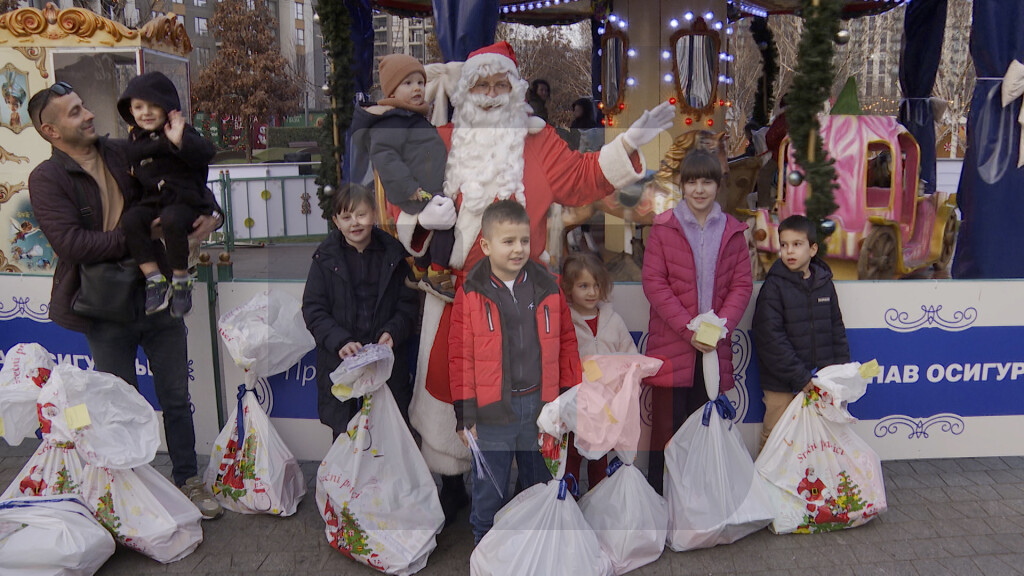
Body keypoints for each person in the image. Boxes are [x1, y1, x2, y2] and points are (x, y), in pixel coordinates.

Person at [389, 41, 672, 521]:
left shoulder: (538, 141)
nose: (493, 93)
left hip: (529, 295)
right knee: (452, 392)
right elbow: (402, 194)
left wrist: (627, 144)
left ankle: (530, 498)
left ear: (516, 90)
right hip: (459, 294)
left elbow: (582, 179)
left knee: (527, 400)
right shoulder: (441, 140)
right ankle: (458, 488)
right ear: (468, 91)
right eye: (483, 84)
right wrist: (421, 213)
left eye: (502, 84)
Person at [26, 81, 224, 518]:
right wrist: (141, 236)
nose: (89, 114)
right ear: (51, 131)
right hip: (104, 308)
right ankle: (133, 493)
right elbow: (73, 244)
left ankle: (188, 481)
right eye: (76, 111)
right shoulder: (47, 177)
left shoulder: (122, 149)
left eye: (83, 105)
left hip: (159, 297)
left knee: (175, 397)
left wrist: (213, 216)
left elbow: (183, 182)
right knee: (120, 404)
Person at [449, 200, 580, 543]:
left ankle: (532, 553)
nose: (518, 249)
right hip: (492, 413)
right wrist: (465, 413)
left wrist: (566, 400)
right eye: (508, 242)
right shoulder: (471, 292)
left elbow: (567, 342)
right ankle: (484, 552)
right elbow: (460, 357)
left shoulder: (548, 286)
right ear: (486, 246)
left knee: (539, 488)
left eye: (524, 240)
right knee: (489, 493)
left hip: (541, 409)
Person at [641, 150, 753, 495]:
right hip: (672, 347)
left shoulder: (733, 231)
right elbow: (654, 284)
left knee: (704, 429)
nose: (699, 189)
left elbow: (741, 285)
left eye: (707, 181)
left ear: (718, 186)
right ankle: (660, 506)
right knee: (666, 434)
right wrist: (689, 330)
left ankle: (699, 507)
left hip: (712, 352)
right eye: (692, 182)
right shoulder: (663, 228)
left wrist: (718, 329)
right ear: (682, 185)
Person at [301, 183, 419, 438]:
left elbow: (408, 304)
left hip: (385, 365)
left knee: (388, 440)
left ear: (374, 215)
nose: (354, 223)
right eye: (346, 217)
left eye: (361, 214)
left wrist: (393, 332)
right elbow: (314, 309)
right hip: (342, 365)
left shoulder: (394, 255)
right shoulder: (324, 258)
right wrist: (340, 341)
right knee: (346, 442)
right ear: (336, 221)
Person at [115, 72, 220, 317]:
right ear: (130, 110)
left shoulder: (181, 131)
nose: (146, 112)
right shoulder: (134, 140)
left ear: (169, 108)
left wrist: (180, 141)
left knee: (172, 219)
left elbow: (205, 153)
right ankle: (154, 278)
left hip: (183, 200)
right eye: (139, 107)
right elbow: (137, 162)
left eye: (154, 105)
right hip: (154, 201)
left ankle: (181, 280)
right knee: (131, 220)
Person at [351, 54, 455, 301]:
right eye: (408, 83)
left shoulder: (410, 117)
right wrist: (410, 189)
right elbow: (386, 158)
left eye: (420, 82)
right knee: (447, 221)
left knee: (434, 223)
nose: (417, 88)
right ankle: (437, 273)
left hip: (422, 185)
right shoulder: (392, 121)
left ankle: (419, 268)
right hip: (415, 189)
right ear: (392, 91)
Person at [752, 214, 850, 451]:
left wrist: (842, 373)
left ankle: (816, 485)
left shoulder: (825, 284)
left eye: (797, 244)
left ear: (813, 249)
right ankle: (765, 485)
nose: (789, 251)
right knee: (778, 435)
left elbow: (836, 329)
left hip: (822, 381)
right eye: (784, 245)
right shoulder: (773, 287)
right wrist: (801, 378)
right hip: (782, 383)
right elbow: (770, 340)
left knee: (821, 440)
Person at [560, 252, 638, 490]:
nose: (592, 292)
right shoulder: (566, 322)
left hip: (605, 407)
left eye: (596, 286)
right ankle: (570, 507)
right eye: (583, 286)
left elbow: (630, 356)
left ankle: (599, 504)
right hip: (576, 404)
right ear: (568, 288)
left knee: (600, 459)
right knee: (571, 457)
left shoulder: (613, 321)